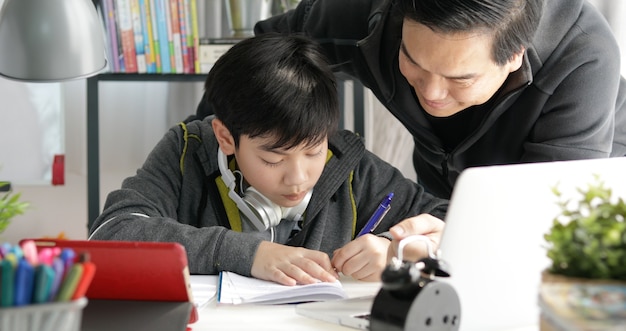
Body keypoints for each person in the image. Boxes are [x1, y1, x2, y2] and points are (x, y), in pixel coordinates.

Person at [243, 0, 626, 259]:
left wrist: (457, 243)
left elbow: (553, 221)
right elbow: (255, 66)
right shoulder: (364, 13)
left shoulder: (583, 56)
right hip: (444, 181)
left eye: (459, 79)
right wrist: (212, 154)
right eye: (412, 62)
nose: (431, 93)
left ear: (514, 56)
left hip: (580, 193)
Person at [88, 33, 448, 285]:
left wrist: (394, 248)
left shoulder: (348, 161)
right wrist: (249, 254)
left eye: (312, 151)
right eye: (274, 159)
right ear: (226, 137)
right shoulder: (187, 151)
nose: (299, 178)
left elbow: (450, 220)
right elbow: (111, 234)